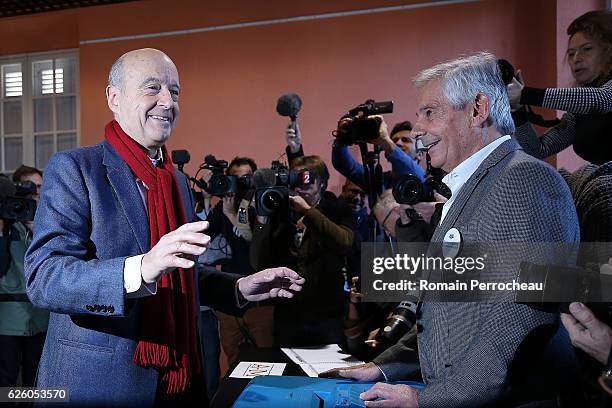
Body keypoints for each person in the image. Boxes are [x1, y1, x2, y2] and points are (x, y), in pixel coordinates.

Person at [23, 48, 304, 406]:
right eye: (152, 88)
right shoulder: (75, 169)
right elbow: (44, 278)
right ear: (114, 97)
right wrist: (141, 268)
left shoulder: (176, 182)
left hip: (179, 382)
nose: (167, 102)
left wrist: (239, 288)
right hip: (99, 385)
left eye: (175, 91)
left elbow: (178, 272)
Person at [322, 52, 580, 407]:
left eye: (430, 112)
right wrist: (382, 369)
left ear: (478, 109)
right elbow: (442, 311)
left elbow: (516, 322)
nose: (417, 130)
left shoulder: (524, 180)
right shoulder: (470, 189)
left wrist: (424, 401)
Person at [251, 155, 354, 347]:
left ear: (322, 183)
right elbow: (258, 261)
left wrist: (308, 211)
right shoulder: (281, 211)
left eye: (306, 182)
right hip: (289, 313)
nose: (299, 189)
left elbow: (345, 242)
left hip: (328, 313)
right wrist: (262, 221)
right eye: (294, 181)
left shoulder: (337, 208)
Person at [509, 10, 612, 164]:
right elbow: (537, 151)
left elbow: (602, 99)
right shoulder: (579, 110)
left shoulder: (599, 97)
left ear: (608, 50)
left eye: (587, 49)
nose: (576, 59)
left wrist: (525, 94)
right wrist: (517, 110)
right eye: (571, 53)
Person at [202, 156, 275, 368]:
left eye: (247, 177)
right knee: (234, 360)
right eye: (237, 178)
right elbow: (203, 236)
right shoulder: (224, 206)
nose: (242, 182)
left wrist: (232, 215)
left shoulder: (260, 203)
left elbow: (254, 245)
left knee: (267, 360)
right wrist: (207, 200)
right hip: (230, 300)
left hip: (260, 300)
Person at [0, 166, 48, 388]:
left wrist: (37, 228)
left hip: (41, 318)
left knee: (35, 382)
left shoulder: (50, 224)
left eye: (39, 187)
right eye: (29, 188)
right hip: (7, 321)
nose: (35, 193)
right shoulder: (6, 223)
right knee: (6, 384)